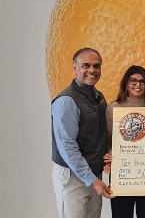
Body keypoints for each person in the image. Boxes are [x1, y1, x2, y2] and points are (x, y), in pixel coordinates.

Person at [51, 47, 114, 218]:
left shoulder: (98, 97)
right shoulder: (66, 101)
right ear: (75, 68)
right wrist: (92, 181)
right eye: (86, 65)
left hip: (94, 173)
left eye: (96, 66)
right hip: (73, 177)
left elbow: (101, 133)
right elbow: (67, 147)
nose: (92, 70)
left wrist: (108, 151)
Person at [104, 65, 145, 218]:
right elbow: (107, 139)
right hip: (122, 174)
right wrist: (109, 154)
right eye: (133, 80)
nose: (138, 85)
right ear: (125, 83)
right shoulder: (113, 108)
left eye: (142, 81)